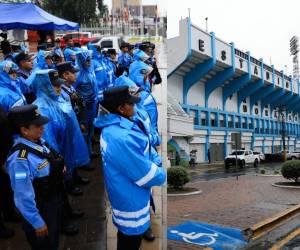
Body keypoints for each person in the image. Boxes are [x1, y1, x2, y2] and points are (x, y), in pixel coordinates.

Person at [94, 86, 166, 250]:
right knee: (130, 243)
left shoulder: (119, 126)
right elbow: (146, 175)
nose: (134, 106)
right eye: (131, 104)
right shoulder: (121, 137)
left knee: (125, 237)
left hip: (126, 193)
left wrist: (154, 159)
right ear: (121, 108)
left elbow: (146, 148)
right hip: (131, 200)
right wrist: (161, 170)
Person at [6, 104, 64, 250]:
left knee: (54, 239)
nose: (42, 128)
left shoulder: (38, 142)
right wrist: (36, 222)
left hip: (52, 201)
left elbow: (49, 158)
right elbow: (22, 195)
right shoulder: (20, 160)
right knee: (45, 245)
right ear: (24, 130)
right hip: (40, 209)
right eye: (37, 126)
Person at [75, 50, 98, 158]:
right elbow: (74, 93)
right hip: (83, 107)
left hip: (92, 105)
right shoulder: (77, 74)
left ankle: (89, 151)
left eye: (90, 59)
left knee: (90, 129)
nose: (89, 62)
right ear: (81, 60)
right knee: (84, 132)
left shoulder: (89, 71)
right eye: (87, 60)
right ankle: (84, 156)